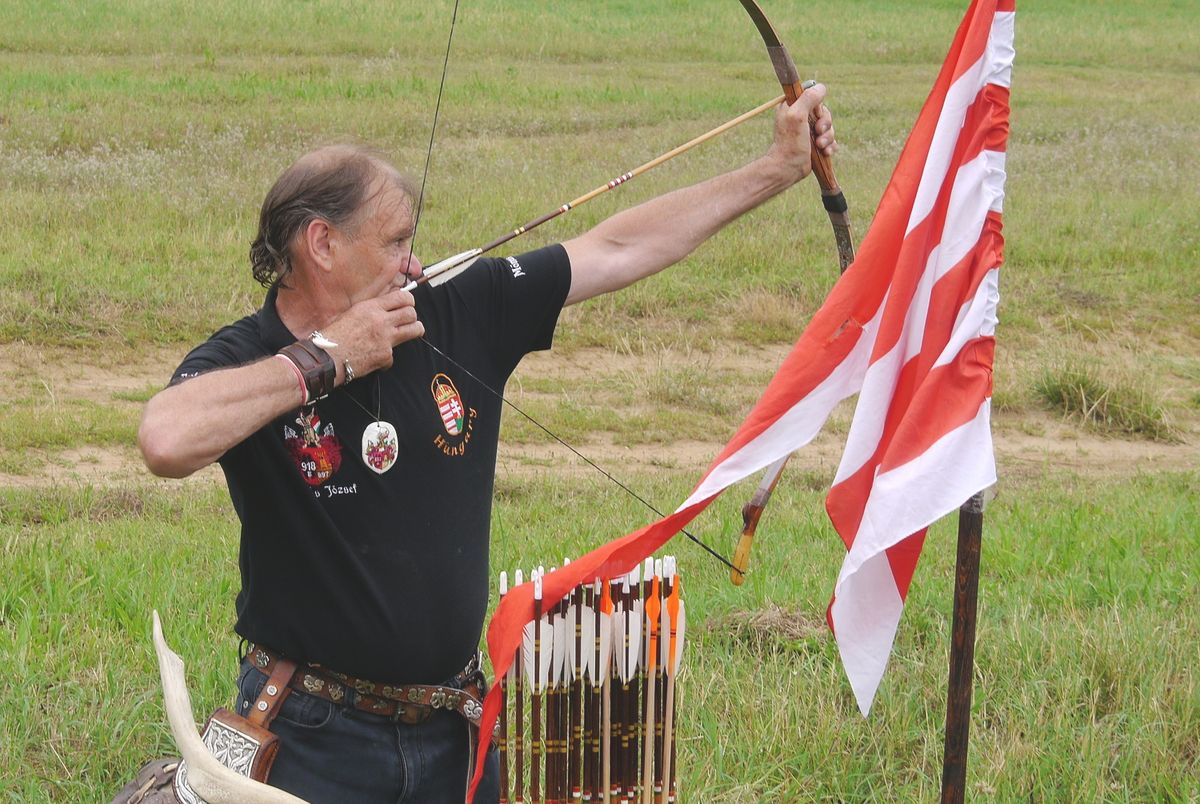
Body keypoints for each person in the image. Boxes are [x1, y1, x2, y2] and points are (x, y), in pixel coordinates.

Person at [137, 85, 837, 803]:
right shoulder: (247, 355)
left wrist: (776, 169)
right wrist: (329, 357)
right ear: (322, 244)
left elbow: (617, 247)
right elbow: (165, 438)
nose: (413, 264)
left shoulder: (447, 305)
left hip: (456, 728)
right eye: (395, 242)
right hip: (312, 734)